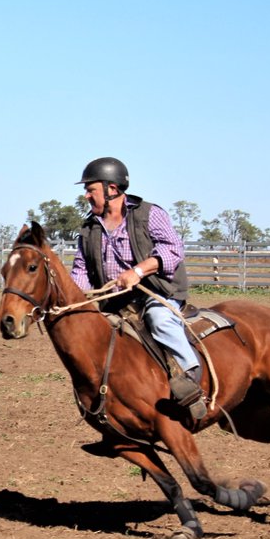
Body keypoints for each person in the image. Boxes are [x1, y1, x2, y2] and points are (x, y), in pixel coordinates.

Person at [70, 157, 206, 420]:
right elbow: (81, 269)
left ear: (112, 189)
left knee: (159, 319)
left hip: (157, 293)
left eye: (91, 189)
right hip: (113, 301)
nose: (86, 195)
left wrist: (138, 271)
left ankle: (190, 376)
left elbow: (172, 250)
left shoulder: (149, 214)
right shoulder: (89, 228)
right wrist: (76, 300)